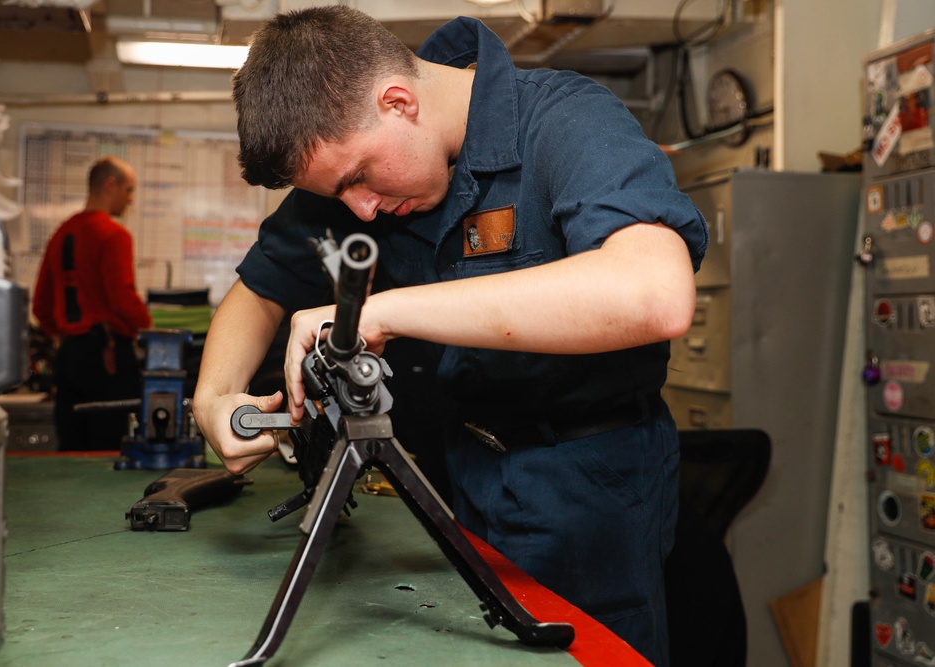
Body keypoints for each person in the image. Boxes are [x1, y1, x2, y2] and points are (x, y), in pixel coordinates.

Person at [193, 7, 707, 665]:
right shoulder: (360, 157)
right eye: (339, 193)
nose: (361, 209)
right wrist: (214, 395)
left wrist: (386, 311)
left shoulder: (567, 122)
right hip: (454, 476)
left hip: (589, 490)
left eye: (358, 178)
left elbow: (654, 295)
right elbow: (260, 288)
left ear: (399, 102)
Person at [32, 156, 152, 451]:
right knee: (107, 451)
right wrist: (149, 330)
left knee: (71, 451)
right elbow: (122, 299)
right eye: (129, 191)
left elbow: (40, 305)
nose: (130, 200)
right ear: (110, 185)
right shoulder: (114, 235)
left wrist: (61, 337)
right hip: (107, 360)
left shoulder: (61, 234)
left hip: (68, 359)